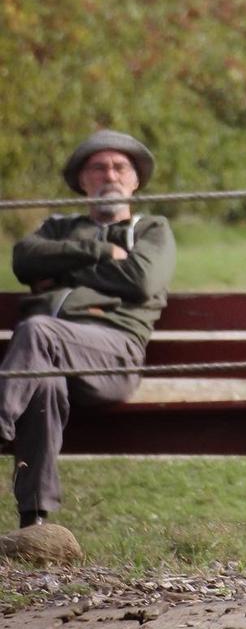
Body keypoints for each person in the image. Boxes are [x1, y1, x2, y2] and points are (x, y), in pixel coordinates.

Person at [2, 131, 175, 528]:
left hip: (113, 356)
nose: (108, 175)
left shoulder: (151, 229)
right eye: (97, 168)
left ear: (135, 180)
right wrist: (99, 253)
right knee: (44, 384)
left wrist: (61, 271)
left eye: (119, 167)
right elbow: (24, 260)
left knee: (38, 330)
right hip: (47, 358)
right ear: (82, 180)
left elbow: (140, 281)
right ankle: (35, 522)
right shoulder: (58, 227)